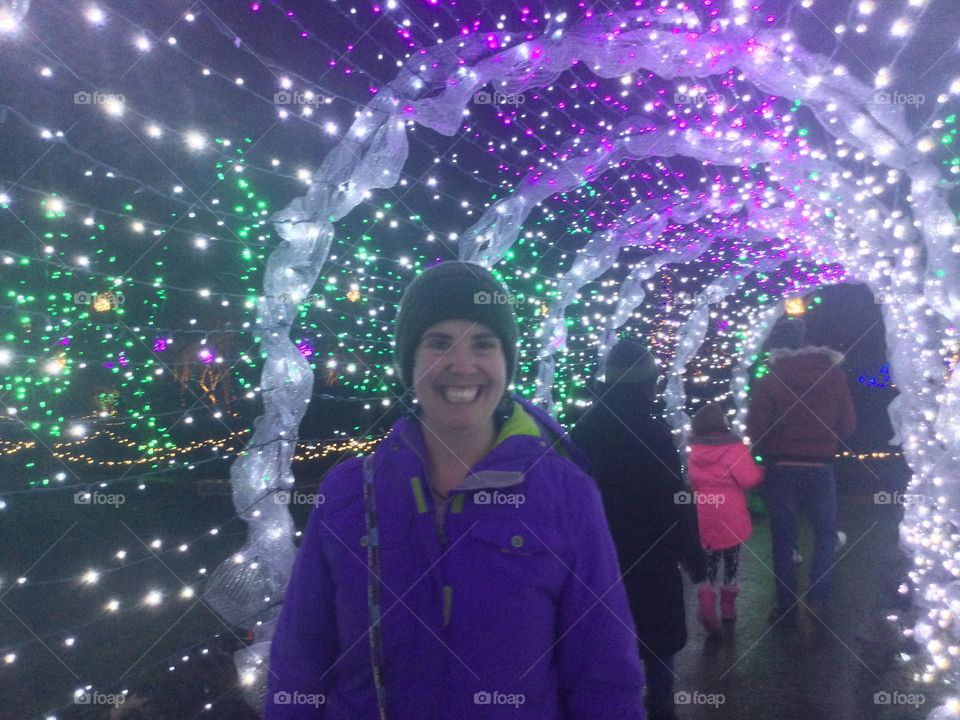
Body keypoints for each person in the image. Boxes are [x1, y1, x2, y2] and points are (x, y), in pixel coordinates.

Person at [265, 261, 645, 719]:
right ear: (410, 363)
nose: (462, 366)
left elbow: (603, 674)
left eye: (483, 344)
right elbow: (300, 664)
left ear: (506, 362)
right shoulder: (348, 493)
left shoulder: (567, 496)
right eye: (439, 343)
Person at [571, 339, 711, 720]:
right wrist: (695, 561)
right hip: (653, 551)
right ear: (646, 386)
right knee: (658, 636)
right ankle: (661, 704)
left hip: (600, 555)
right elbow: (673, 498)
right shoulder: (655, 434)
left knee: (607, 636)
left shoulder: (584, 431)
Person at [746, 317, 856, 625]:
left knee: (783, 539)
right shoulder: (835, 377)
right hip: (821, 466)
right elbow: (848, 425)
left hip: (781, 467)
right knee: (825, 533)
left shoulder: (771, 379)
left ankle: (785, 607)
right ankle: (819, 593)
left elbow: (756, 429)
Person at [687, 402, 764, 625]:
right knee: (732, 559)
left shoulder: (696, 451)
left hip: (705, 512)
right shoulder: (735, 448)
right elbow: (748, 479)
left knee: (709, 559)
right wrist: (762, 471)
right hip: (730, 513)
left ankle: (707, 603)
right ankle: (728, 607)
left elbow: (694, 483)